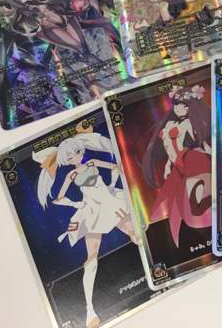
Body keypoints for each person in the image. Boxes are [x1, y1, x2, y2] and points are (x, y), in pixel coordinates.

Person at [35, 125, 134, 328]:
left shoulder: (92, 162)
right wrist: (73, 204)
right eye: (70, 156)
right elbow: (59, 197)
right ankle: (90, 311)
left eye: (76, 152)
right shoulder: (71, 176)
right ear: (66, 160)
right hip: (92, 213)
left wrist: (112, 183)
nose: (75, 157)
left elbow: (115, 166)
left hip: (110, 204)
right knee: (91, 260)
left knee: (137, 235)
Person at [140, 84, 212, 247]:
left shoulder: (187, 123)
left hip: (192, 160)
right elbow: (170, 148)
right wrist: (168, 165)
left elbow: (196, 142)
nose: (180, 108)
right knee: (189, 204)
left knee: (196, 205)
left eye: (185, 105)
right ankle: (219, 201)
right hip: (179, 164)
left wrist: (210, 153)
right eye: (178, 104)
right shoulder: (169, 124)